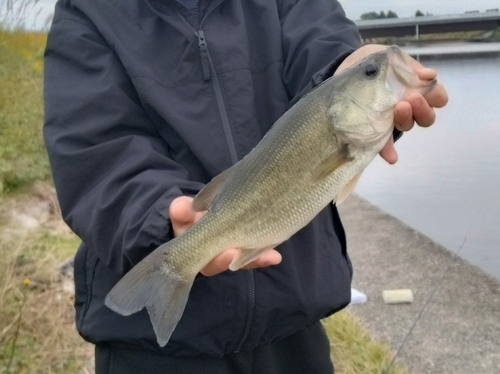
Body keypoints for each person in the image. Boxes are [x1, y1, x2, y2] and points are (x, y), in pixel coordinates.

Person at [43, 0, 448, 373]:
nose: (381, 73)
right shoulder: (88, 12)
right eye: (374, 74)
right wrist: (160, 218)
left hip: (293, 326)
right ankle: (167, 274)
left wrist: (349, 61)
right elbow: (95, 149)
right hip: (150, 351)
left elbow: (323, 49)